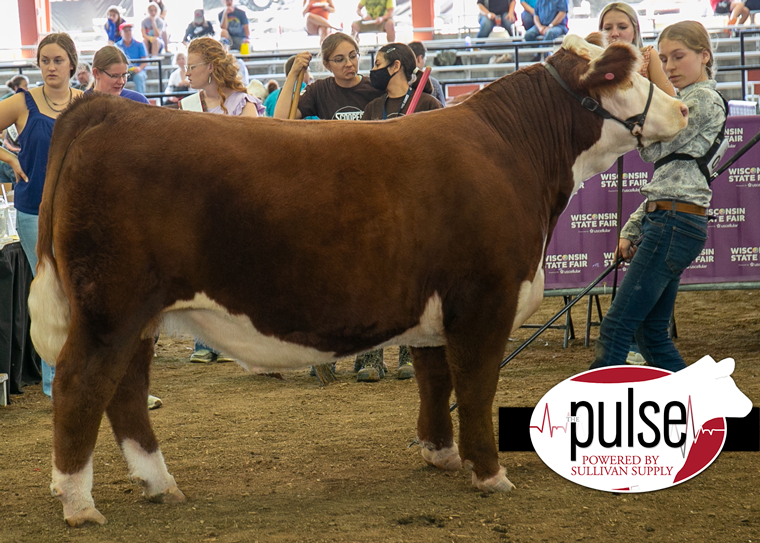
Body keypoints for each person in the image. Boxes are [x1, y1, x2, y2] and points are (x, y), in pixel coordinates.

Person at [589, 20, 725, 373]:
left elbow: (664, 141)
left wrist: (653, 87)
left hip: (674, 221)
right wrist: (633, 227)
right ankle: (699, 405)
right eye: (664, 59)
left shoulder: (705, 100)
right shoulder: (687, 102)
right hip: (672, 218)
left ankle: (598, 412)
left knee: (617, 326)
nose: (670, 67)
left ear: (704, 56)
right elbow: (664, 170)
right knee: (650, 333)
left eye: (678, 57)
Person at [0, 33, 84, 397]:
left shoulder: (86, 103)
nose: (50, 67)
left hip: (80, 213)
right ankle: (56, 380)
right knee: (50, 293)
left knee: (77, 293)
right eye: (45, 60)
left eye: (58, 60)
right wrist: (9, 157)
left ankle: (81, 371)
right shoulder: (22, 102)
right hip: (34, 211)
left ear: (71, 64)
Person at [357, 43, 442, 382]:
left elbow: (441, 155)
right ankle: (370, 356)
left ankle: (410, 350)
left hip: (418, 206)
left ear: (394, 67)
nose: (371, 70)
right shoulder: (372, 107)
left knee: (413, 281)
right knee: (370, 280)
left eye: (376, 64)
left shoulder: (428, 105)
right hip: (376, 206)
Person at [183, 37, 261, 363]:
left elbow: (256, 155)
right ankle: (206, 340)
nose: (187, 73)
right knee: (203, 270)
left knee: (238, 268)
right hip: (200, 201)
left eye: (192, 67)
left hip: (237, 199)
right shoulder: (186, 106)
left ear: (210, 67)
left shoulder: (245, 105)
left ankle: (238, 339)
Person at [274, 33, 384, 120]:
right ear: (327, 65)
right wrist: (293, 74)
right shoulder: (319, 90)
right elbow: (281, 119)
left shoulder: (375, 87)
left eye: (353, 56)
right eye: (339, 59)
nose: (349, 64)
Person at [115, 22, 149, 95]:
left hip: (137, 71)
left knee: (139, 77)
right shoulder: (116, 46)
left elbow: (145, 61)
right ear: (121, 33)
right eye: (125, 31)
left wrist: (139, 68)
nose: (128, 33)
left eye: (129, 30)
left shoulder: (139, 44)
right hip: (122, 72)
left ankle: (141, 101)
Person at [408, 41, 445, 106]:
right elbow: (442, 109)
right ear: (419, 58)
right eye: (424, 58)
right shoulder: (433, 83)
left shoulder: (400, 82)